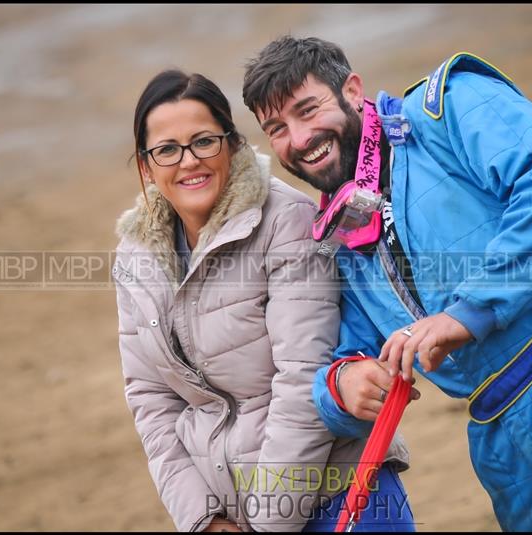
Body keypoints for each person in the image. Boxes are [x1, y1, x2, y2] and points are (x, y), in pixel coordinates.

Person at [242, 36, 532, 531]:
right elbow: (348, 352)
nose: (298, 138)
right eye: (277, 129)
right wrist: (342, 387)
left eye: (307, 110)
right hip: (495, 427)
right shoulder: (342, 228)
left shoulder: (447, 106)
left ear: (352, 91)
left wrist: (469, 310)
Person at [112, 69, 413, 532]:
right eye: (167, 150)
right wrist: (205, 519)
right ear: (146, 166)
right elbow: (151, 400)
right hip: (233, 514)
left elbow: (302, 379)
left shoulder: (286, 223)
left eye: (204, 142)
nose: (188, 161)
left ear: (232, 145)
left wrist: (268, 523)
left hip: (340, 497)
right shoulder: (135, 257)